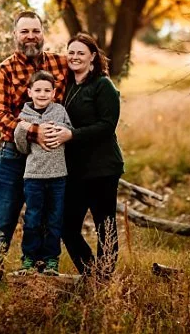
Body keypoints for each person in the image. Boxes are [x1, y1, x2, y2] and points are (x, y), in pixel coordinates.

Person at [0, 11, 71, 287]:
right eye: (25, 31)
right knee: (1, 222)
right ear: (15, 35)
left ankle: (41, 279)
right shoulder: (4, 70)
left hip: (51, 156)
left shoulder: (59, 64)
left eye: (36, 31)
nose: (31, 36)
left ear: (43, 33)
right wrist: (34, 131)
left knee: (47, 218)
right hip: (14, 155)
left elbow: (90, 71)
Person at [58, 34, 123, 281]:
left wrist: (71, 135)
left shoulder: (103, 85)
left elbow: (107, 125)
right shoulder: (68, 85)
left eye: (80, 53)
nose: (75, 57)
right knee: (67, 226)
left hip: (103, 168)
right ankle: (92, 274)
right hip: (76, 169)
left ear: (93, 57)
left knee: (105, 226)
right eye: (71, 52)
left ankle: (104, 279)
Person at [13, 70, 73, 276]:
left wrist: (59, 132)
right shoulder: (24, 117)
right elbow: (21, 147)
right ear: (29, 92)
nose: (42, 94)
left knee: (55, 219)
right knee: (32, 219)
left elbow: (67, 134)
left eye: (47, 90)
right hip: (34, 177)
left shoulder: (60, 111)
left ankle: (50, 261)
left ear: (54, 92)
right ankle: (29, 259)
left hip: (58, 176)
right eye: (37, 90)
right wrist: (25, 130)